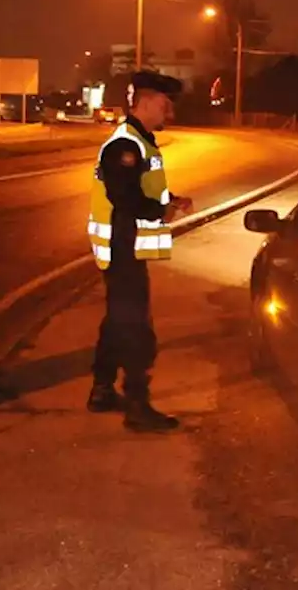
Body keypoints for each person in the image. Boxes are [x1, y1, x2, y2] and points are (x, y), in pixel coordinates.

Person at [85, 71, 194, 432]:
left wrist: (171, 201)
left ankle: (102, 390)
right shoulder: (125, 145)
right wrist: (158, 211)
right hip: (122, 247)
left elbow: (141, 188)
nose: (169, 112)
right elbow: (125, 196)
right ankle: (137, 404)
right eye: (164, 104)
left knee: (117, 319)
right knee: (136, 327)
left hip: (124, 246)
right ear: (145, 102)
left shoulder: (140, 141)